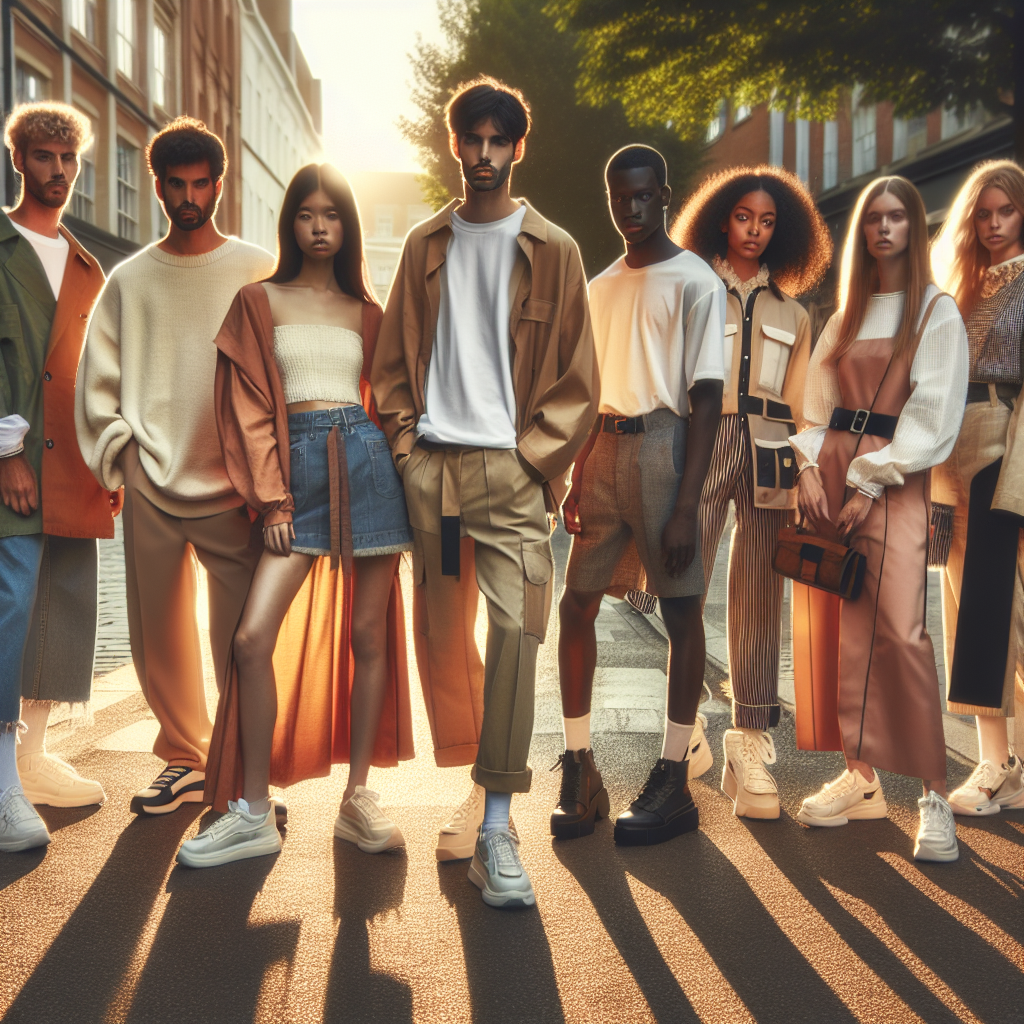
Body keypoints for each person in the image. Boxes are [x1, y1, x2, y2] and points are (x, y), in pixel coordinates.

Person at [372, 77, 598, 908]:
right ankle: (480, 781)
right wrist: (407, 453)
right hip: (435, 470)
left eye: (499, 140)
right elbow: (392, 366)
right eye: (472, 139)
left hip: (511, 474)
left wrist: (536, 465)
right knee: (445, 640)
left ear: (517, 149)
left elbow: (579, 378)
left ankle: (499, 822)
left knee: (517, 631)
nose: (484, 154)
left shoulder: (556, 249)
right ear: (454, 147)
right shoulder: (425, 245)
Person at [177, 164, 415, 868]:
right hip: (298, 474)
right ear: (291, 223)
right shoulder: (258, 301)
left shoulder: (368, 313)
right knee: (252, 640)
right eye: (307, 214)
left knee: (369, 638)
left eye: (332, 215)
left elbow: (394, 402)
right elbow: (247, 408)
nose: (319, 226)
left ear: (347, 226)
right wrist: (274, 496)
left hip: (368, 466)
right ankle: (254, 810)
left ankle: (358, 797)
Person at [76, 117, 275, 816]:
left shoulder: (257, 267)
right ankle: (185, 760)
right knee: (156, 634)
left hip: (235, 490)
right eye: (176, 185)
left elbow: (281, 369)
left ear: (218, 185)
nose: (189, 196)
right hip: (152, 482)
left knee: (240, 639)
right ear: (158, 188)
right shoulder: (130, 279)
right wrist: (120, 456)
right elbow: (94, 379)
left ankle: (243, 772)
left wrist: (271, 476)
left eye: (201, 184)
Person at [790, 176, 968, 863]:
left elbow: (933, 416)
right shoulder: (845, 316)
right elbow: (816, 407)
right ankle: (860, 778)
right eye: (874, 219)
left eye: (897, 217)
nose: (884, 228)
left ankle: (933, 794)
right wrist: (809, 467)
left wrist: (869, 477)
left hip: (892, 478)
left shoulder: (934, 312)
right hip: (832, 475)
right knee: (839, 628)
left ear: (915, 227)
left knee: (902, 631)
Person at [554, 145, 725, 847]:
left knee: (682, 612)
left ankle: (673, 773)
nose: (630, 207)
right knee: (575, 605)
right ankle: (578, 764)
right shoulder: (598, 286)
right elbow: (591, 392)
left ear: (663, 194)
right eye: (618, 196)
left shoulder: (696, 281)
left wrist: (688, 504)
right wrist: (575, 469)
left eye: (642, 195)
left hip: (666, 445)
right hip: (603, 448)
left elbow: (708, 397)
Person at [672, 166, 831, 819]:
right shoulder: (691, 290)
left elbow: (801, 403)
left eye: (767, 221)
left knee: (760, 593)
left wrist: (805, 467)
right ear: (721, 218)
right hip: (705, 439)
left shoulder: (794, 313)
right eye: (744, 217)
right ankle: (683, 734)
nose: (755, 231)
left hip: (771, 450)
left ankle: (750, 738)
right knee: (682, 578)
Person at [0, 102, 118, 851]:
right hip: (13, 461)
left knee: (64, 605)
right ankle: (1, 780)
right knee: (10, 607)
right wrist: (4, 452)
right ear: (19, 160)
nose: (59, 172)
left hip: (73, 462)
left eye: (69, 160)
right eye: (45, 157)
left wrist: (109, 453)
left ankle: (34, 759)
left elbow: (93, 370)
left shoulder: (85, 263)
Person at [931, 160, 1024, 816]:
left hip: (1009, 434)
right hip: (953, 441)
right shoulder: (956, 284)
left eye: (1006, 212)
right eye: (983, 213)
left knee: (1001, 604)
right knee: (967, 604)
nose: (993, 225)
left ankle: (1003, 765)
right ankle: (996, 760)